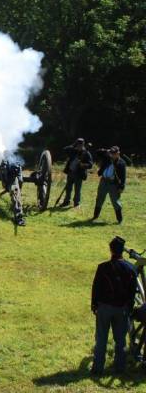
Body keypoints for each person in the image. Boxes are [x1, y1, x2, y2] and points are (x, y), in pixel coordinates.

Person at [90, 236, 137, 375]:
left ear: (111, 250)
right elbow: (132, 292)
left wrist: (94, 305)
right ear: (122, 251)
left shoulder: (103, 267)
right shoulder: (130, 268)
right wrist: (128, 308)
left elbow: (96, 287)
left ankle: (98, 369)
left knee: (101, 339)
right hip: (121, 309)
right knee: (120, 341)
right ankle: (120, 368)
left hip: (104, 308)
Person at [93, 146, 126, 223]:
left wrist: (122, 186)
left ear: (118, 153)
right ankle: (95, 216)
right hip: (103, 182)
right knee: (99, 199)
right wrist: (106, 151)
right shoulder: (107, 158)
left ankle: (119, 219)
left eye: (114, 153)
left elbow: (123, 176)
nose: (112, 155)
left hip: (113, 184)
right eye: (111, 153)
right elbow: (98, 152)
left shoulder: (121, 163)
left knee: (115, 201)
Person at [61, 138, 93, 207]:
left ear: (83, 145)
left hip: (79, 174)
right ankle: (66, 201)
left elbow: (90, 164)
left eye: (80, 145)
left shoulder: (87, 153)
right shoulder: (72, 150)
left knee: (77, 190)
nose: (79, 147)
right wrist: (73, 145)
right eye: (78, 145)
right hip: (70, 172)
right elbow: (64, 149)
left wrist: (83, 165)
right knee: (68, 188)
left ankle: (76, 203)